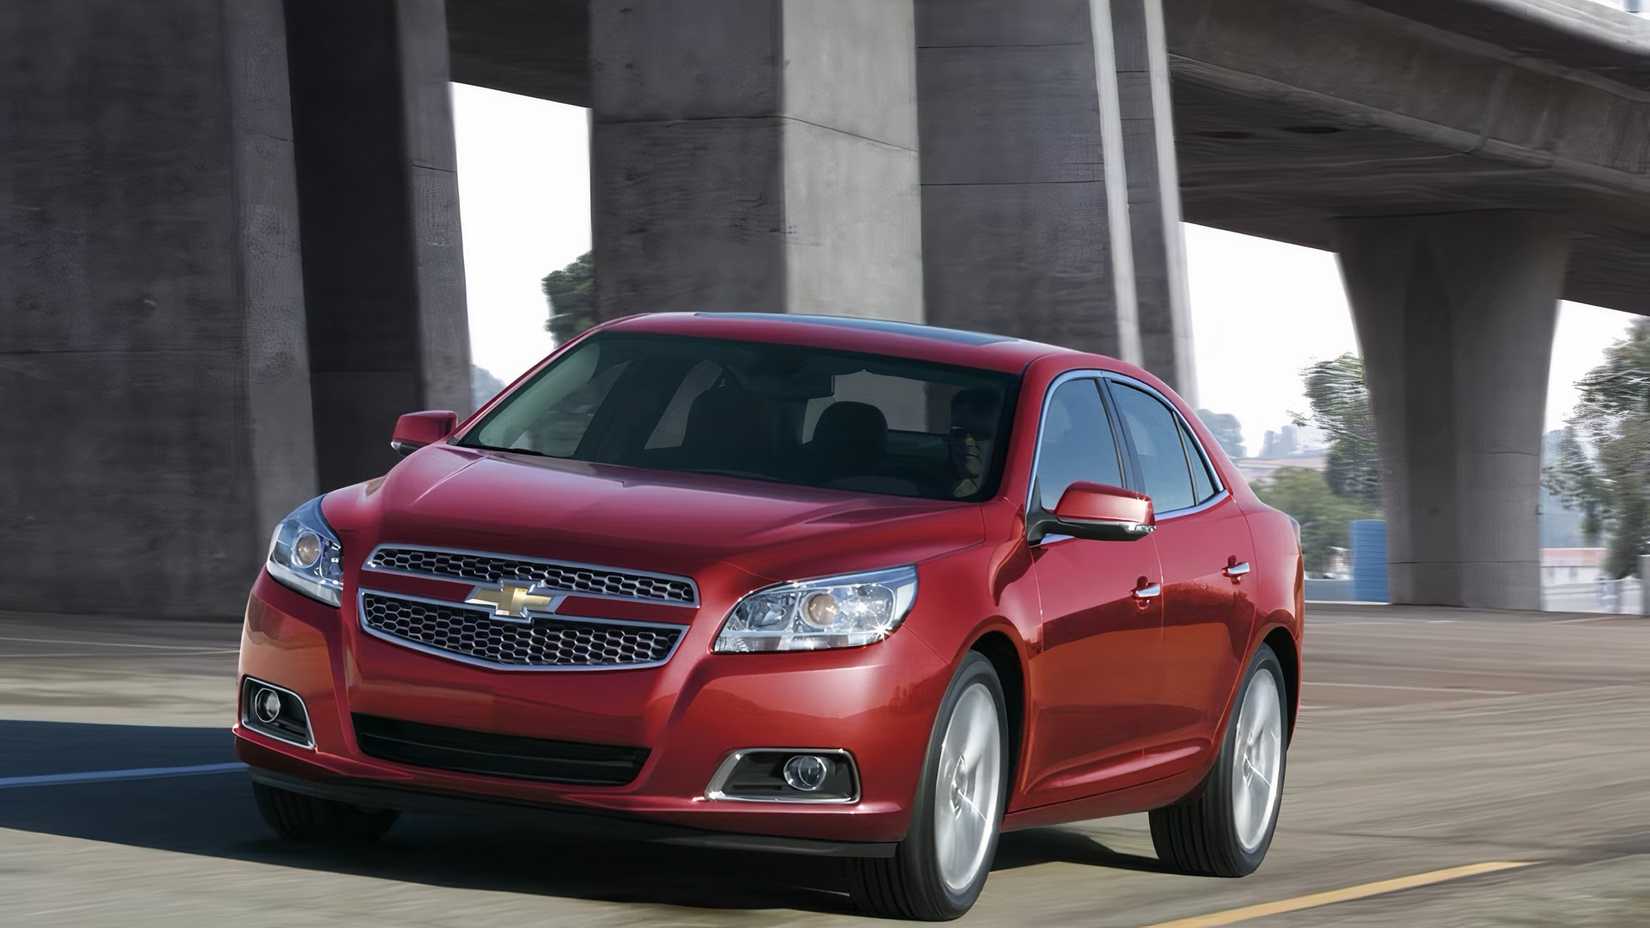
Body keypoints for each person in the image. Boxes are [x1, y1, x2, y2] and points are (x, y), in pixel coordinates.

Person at [948, 388, 1001, 498]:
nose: (968, 441)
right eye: (959, 433)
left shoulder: (1022, 491)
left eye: (980, 434)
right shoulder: (922, 488)